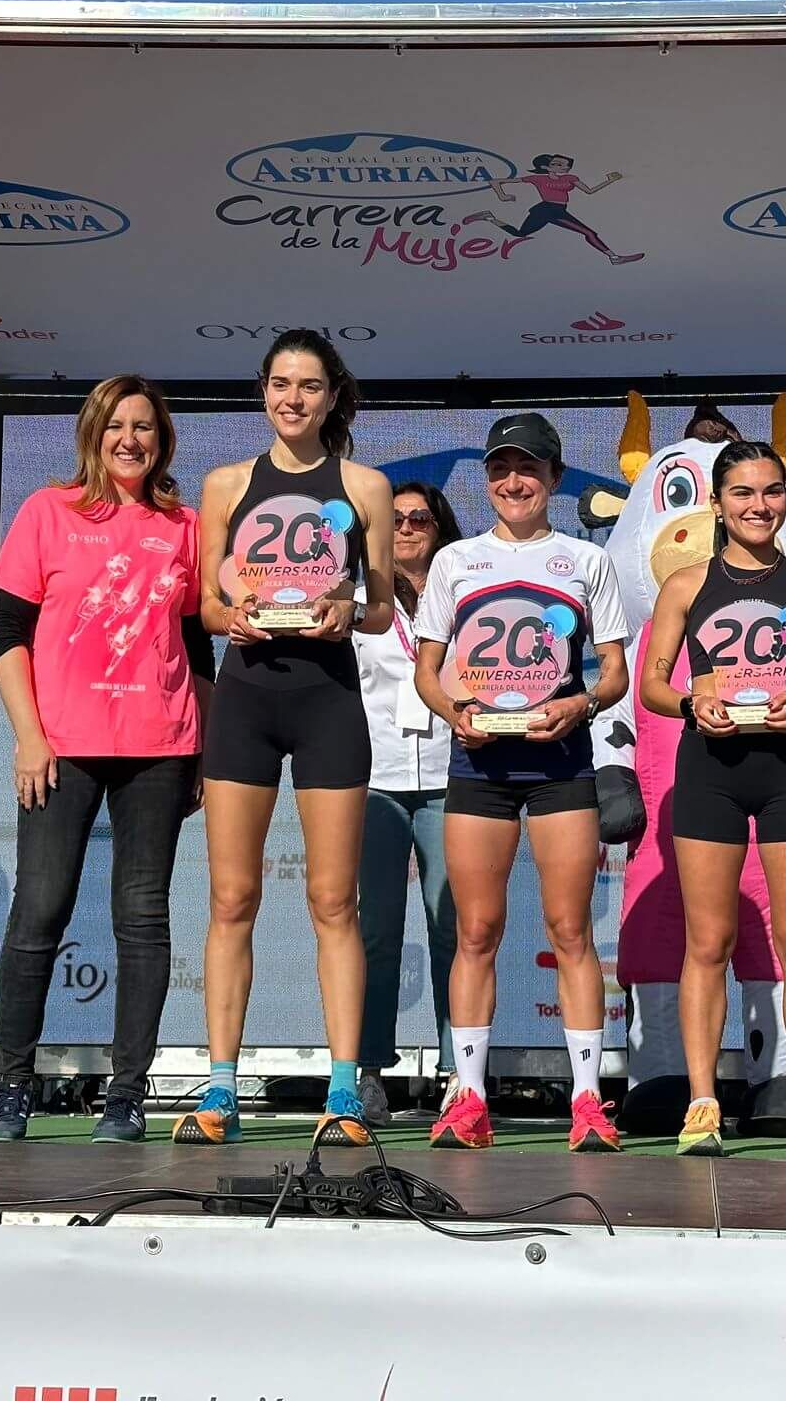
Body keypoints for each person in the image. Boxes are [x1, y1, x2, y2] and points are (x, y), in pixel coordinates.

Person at [174, 330, 394, 1147]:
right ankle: (221, 1086)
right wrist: (231, 615)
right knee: (233, 898)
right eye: (279, 384)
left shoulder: (365, 486)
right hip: (248, 700)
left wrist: (348, 614)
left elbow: (377, 607)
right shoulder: (225, 483)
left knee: (333, 900)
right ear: (262, 393)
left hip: (328, 698)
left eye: (308, 386)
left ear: (333, 395)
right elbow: (204, 606)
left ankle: (343, 1094)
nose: (292, 399)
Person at [0, 375, 212, 1144]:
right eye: (117, 425)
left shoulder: (185, 525)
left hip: (158, 746)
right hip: (61, 747)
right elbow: (7, 632)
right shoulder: (48, 511)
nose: (130, 440)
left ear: (162, 440)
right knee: (39, 910)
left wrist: (203, 747)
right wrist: (30, 735)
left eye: (145, 427)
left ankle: (127, 1095)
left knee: (141, 919)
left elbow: (199, 642)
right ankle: (11, 1088)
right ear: (93, 432)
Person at [414, 414, 631, 1152]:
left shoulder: (584, 561)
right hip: (479, 765)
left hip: (560, 766)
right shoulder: (455, 562)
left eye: (529, 469)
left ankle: (589, 1102)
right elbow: (427, 671)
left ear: (555, 478)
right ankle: (468, 1097)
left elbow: (615, 673)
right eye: (502, 469)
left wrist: (581, 703)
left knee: (571, 930)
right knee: (475, 931)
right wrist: (454, 712)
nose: (515, 483)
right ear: (487, 480)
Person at [638, 441, 786, 1160]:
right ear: (717, 500)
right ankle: (703, 1102)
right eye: (743, 493)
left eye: (771, 492)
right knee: (708, 943)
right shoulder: (684, 587)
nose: (759, 506)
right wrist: (692, 699)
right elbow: (653, 688)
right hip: (710, 771)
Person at [352, 481, 463, 1125]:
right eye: (396, 519)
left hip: (452, 772)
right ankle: (367, 1071)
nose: (410, 527)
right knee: (375, 932)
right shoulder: (360, 599)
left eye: (422, 517)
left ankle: (459, 1071)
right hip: (374, 777)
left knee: (453, 925)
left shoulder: (460, 593)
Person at [462, 152, 644, 265]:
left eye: (565, 164)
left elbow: (589, 191)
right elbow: (495, 181)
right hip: (546, 210)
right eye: (558, 164)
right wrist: (503, 196)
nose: (564, 166)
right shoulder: (538, 179)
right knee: (588, 233)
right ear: (545, 166)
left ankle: (489, 217)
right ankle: (614, 258)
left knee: (520, 234)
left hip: (558, 210)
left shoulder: (571, 178)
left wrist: (609, 181)